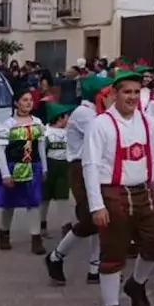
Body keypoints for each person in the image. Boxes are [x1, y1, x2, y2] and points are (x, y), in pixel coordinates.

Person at [81, 70, 154, 306]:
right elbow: (90, 165)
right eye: (126, 92)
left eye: (136, 92)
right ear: (114, 94)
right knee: (114, 251)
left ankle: (137, 284)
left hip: (144, 190)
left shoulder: (147, 122)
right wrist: (96, 205)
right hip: (112, 192)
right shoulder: (100, 124)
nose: (132, 97)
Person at [46, 75, 112, 286]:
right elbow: (106, 135)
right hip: (81, 168)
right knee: (90, 218)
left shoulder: (95, 112)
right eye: (110, 91)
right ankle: (56, 256)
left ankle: (94, 267)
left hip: (97, 167)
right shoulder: (85, 113)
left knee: (100, 218)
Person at [0, 89, 47, 254]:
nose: (28, 103)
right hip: (13, 167)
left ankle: (36, 238)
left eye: (30, 100)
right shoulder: (8, 125)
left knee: (34, 203)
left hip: (33, 167)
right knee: (9, 203)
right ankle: (4, 233)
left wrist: (44, 168)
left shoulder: (38, 123)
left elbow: (41, 146)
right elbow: (0, 151)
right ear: (16, 103)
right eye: (25, 100)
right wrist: (5, 174)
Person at [39, 102, 75, 237]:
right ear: (60, 118)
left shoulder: (69, 132)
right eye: (67, 116)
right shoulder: (45, 133)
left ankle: (66, 225)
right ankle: (41, 224)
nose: (69, 119)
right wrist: (43, 169)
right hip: (49, 166)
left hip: (64, 167)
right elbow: (41, 151)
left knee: (63, 196)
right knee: (44, 197)